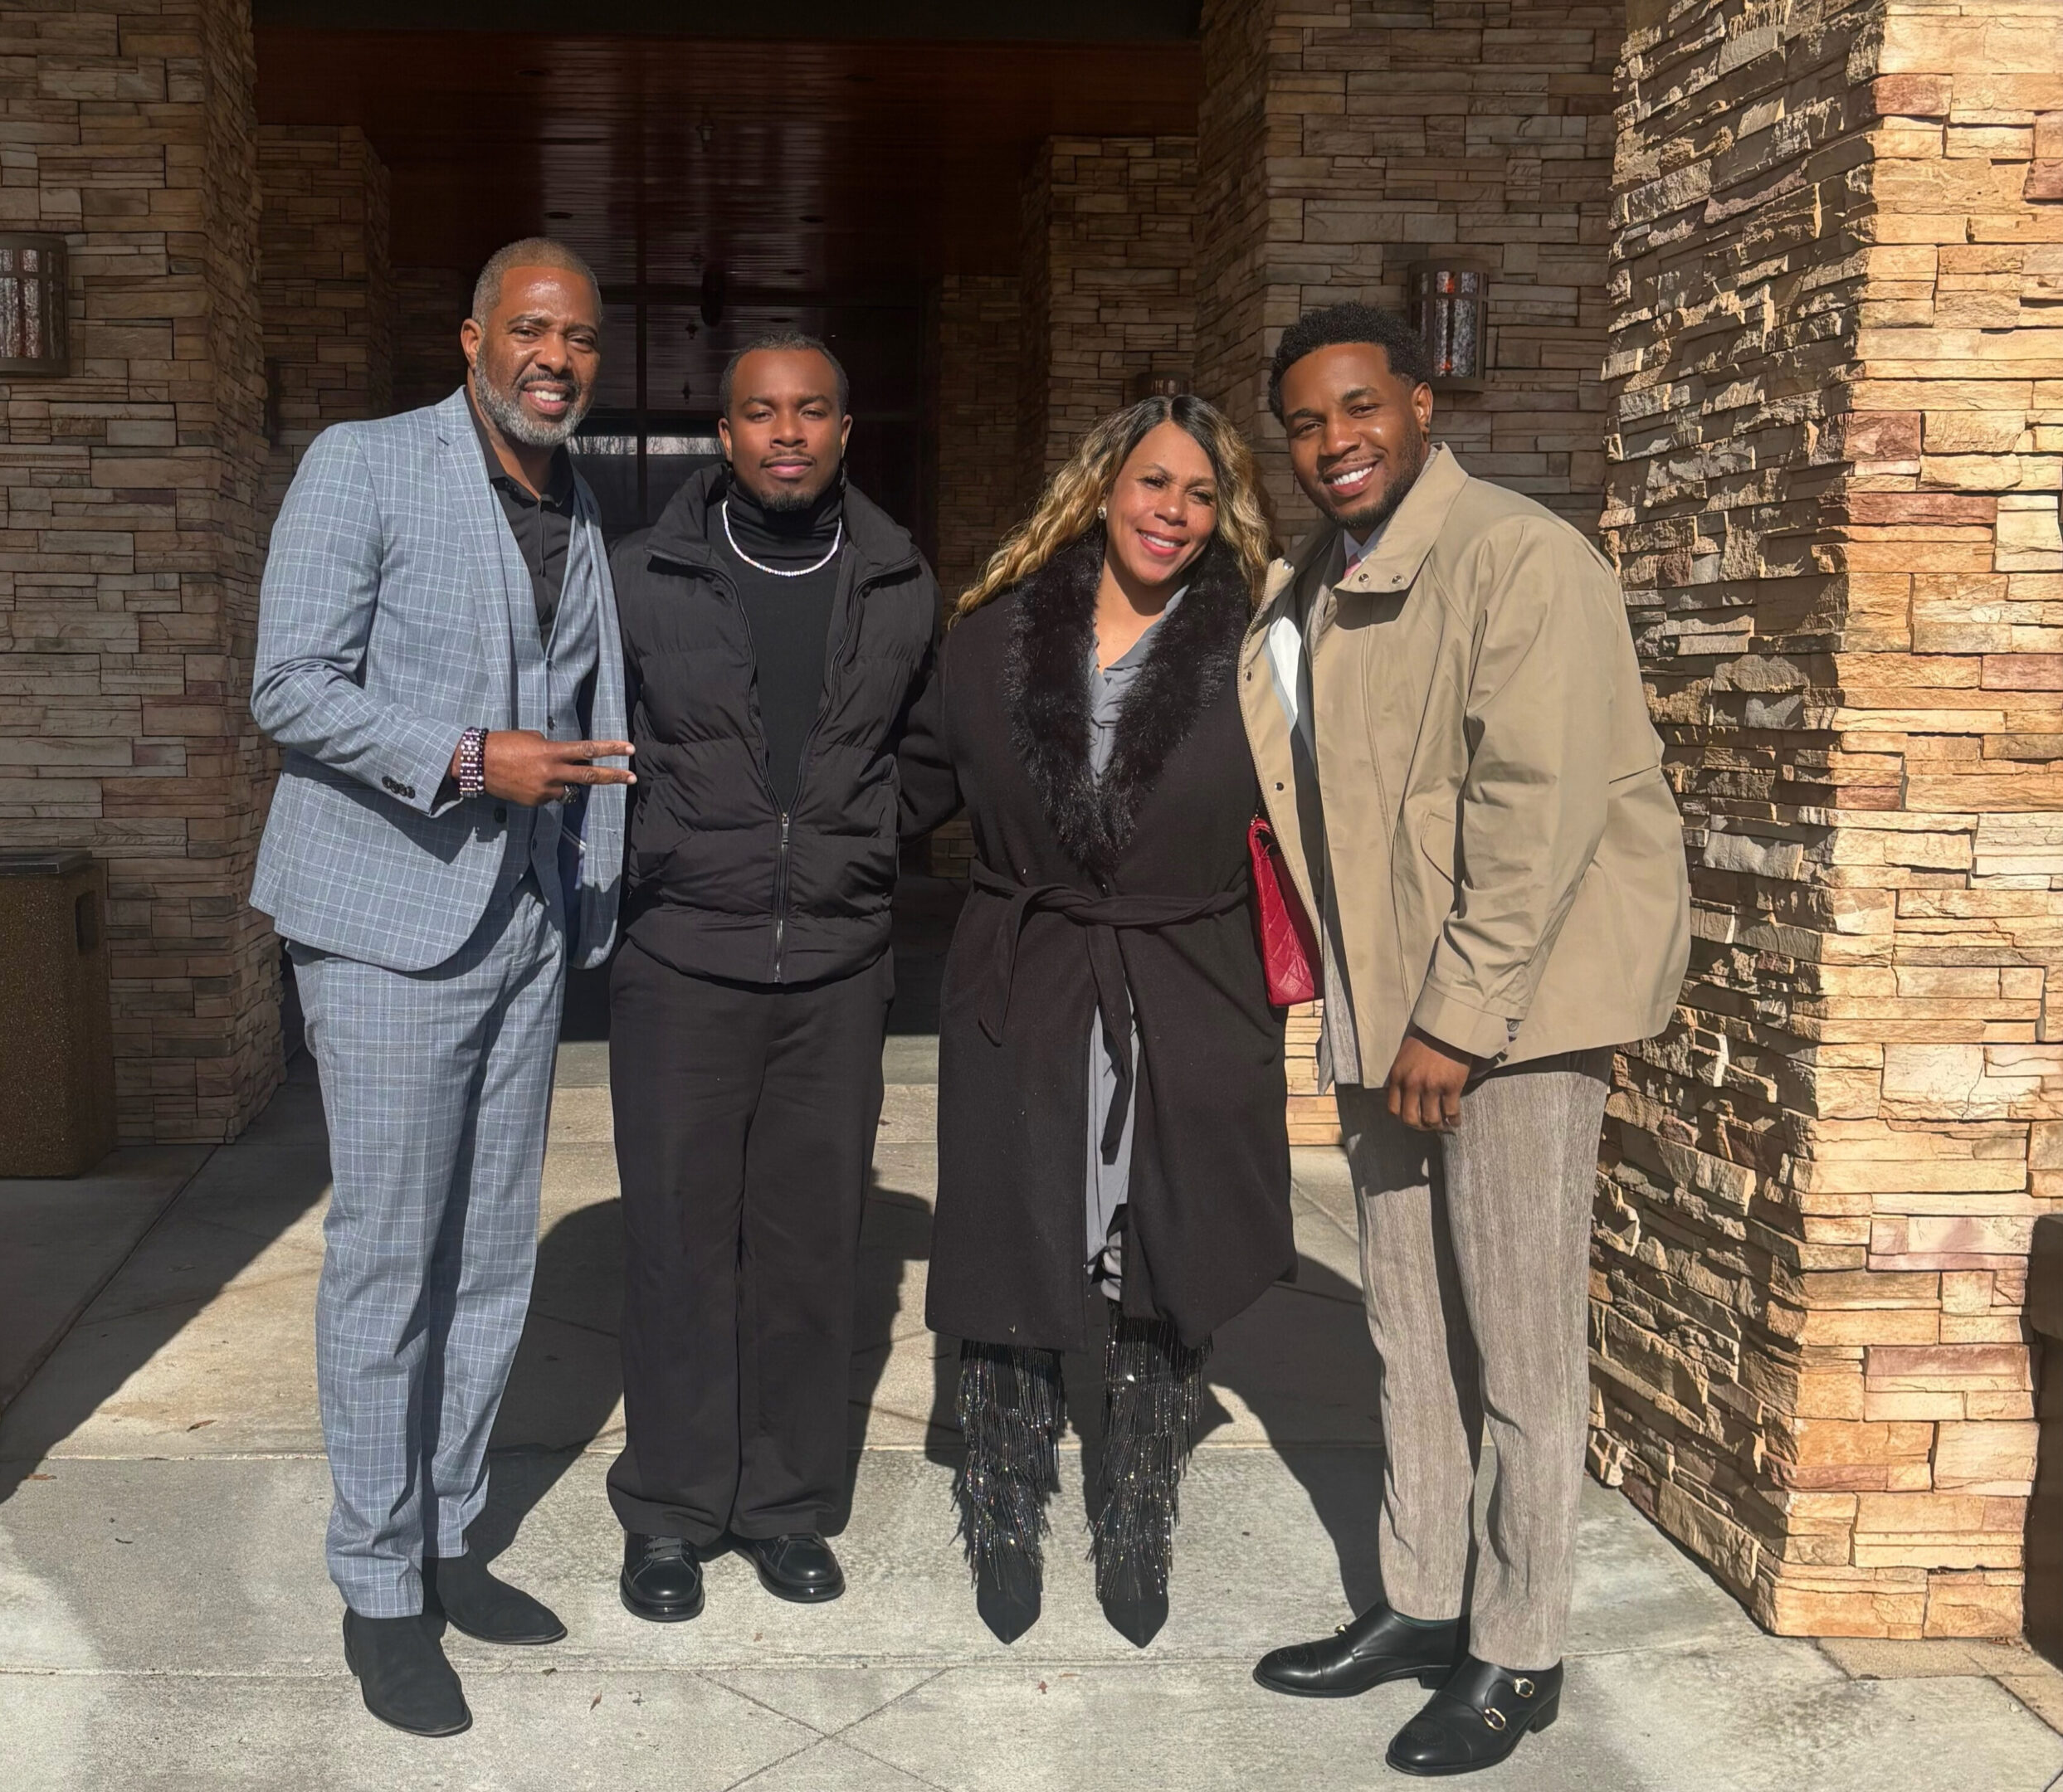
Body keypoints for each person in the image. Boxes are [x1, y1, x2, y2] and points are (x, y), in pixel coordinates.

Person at [1243, 303, 1689, 1775]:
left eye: (1360, 408)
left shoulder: (1516, 557)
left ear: (1424, 403)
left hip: (1507, 1018)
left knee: (1518, 1341)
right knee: (1406, 1329)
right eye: (1306, 424)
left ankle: (1519, 1647)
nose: (1333, 443)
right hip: (1392, 1009)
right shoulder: (1317, 576)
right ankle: (1424, 1602)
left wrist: (1459, 1016)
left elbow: (1533, 811)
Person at [251, 238, 634, 1737]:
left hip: (524, 923)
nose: (557, 355)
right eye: (532, 329)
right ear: (473, 335)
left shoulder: (578, 501)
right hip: (384, 916)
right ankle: (375, 1589)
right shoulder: (365, 464)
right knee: (390, 1261)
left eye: (582, 338)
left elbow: (595, 707)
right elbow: (287, 681)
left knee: (489, 1259)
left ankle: (445, 1538)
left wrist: (583, 883)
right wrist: (470, 760)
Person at [899, 394, 1296, 1649]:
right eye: (1153, 484)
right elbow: (903, 782)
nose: (1171, 512)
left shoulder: (1262, 653)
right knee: (1015, 1231)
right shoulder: (996, 640)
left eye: (1199, 494)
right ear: (1101, 487)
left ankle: (1137, 1503)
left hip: (1193, 974)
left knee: (1157, 1242)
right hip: (1028, 968)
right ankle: (1004, 1502)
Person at [604, 334, 939, 1621]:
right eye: (759, 414)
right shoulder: (642, 579)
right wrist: (667, 856)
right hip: (682, 958)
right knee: (681, 1246)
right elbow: (599, 740)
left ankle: (789, 1507)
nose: (785, 433)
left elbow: (925, 753)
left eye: (810, 412)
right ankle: (674, 1513)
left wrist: (857, 846)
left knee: (813, 1250)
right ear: (725, 435)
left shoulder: (900, 579)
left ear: (846, 431)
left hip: (839, 972)